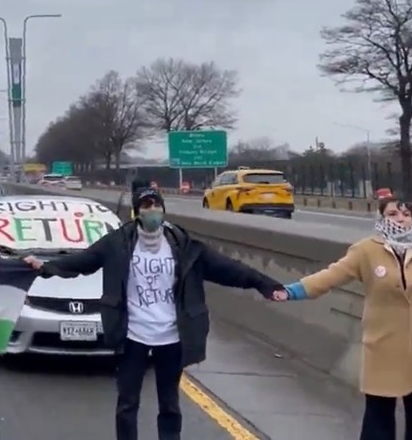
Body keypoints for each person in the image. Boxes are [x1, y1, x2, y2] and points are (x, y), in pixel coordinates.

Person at [23, 188, 283, 440]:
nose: (153, 211)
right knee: (127, 404)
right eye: (146, 206)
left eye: (156, 205)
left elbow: (228, 269)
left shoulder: (183, 245)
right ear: (137, 212)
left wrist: (265, 284)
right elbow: (83, 262)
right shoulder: (117, 243)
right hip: (132, 335)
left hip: (171, 335)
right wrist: (46, 267)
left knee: (169, 404)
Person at [275, 196, 412, 439]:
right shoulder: (367, 250)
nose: (401, 219)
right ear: (381, 217)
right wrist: (292, 291)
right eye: (393, 214)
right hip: (383, 344)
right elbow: (332, 275)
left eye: (406, 214)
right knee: (379, 414)